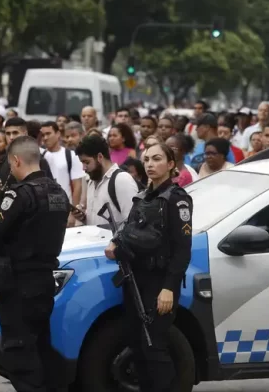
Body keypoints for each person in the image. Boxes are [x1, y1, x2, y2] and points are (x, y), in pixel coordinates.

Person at [0, 136, 70, 392]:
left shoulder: (19, 194)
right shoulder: (58, 192)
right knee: (40, 347)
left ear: (15, 160)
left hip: (18, 283)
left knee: (20, 355)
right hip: (43, 281)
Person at [104, 142, 192, 392]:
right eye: (147, 160)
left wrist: (169, 288)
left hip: (159, 282)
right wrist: (115, 242)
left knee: (155, 347)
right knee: (136, 345)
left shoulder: (177, 200)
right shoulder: (143, 197)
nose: (150, 164)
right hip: (135, 279)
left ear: (171, 164)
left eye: (157, 159)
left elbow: (182, 250)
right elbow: (129, 229)